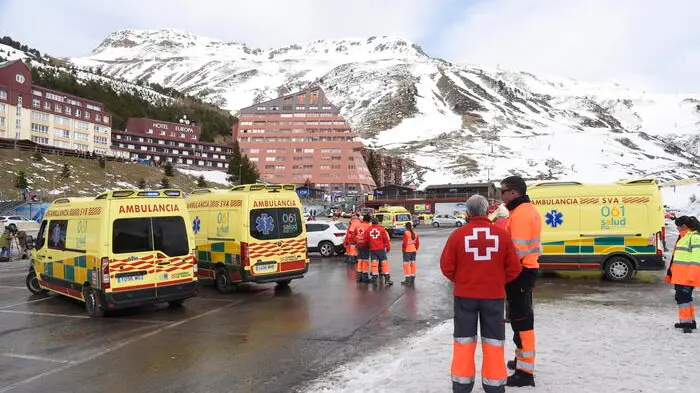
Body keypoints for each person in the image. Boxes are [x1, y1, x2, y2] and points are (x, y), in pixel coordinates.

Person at [440, 195, 522, 393]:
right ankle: (494, 386)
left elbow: (446, 267)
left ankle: (461, 386)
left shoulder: (458, 235)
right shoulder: (502, 235)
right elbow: (514, 268)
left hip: (465, 297)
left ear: (467, 213)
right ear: (487, 211)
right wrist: (497, 282)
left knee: (464, 342)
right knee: (494, 342)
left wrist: (463, 281)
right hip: (493, 298)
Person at [500, 175, 542, 387]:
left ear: (514, 193)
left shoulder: (521, 214)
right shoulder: (524, 211)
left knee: (522, 322)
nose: (501, 196)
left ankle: (525, 373)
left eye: (503, 191)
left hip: (520, 272)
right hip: (526, 271)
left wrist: (503, 274)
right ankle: (521, 361)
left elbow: (516, 252)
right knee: (521, 320)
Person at [666, 215, 700, 333]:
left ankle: (687, 324)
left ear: (684, 226)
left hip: (687, 276)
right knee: (685, 298)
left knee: (682, 298)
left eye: (678, 226)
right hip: (681, 276)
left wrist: (692, 275)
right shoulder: (684, 236)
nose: (677, 229)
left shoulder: (694, 237)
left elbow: (697, 258)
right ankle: (690, 322)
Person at [368, 217, 393, 285]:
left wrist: (367, 247)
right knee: (384, 264)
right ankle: (387, 279)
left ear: (372, 222)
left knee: (374, 264)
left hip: (373, 250)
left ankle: (374, 278)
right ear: (378, 222)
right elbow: (386, 240)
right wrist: (388, 248)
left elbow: (365, 240)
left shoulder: (368, 230)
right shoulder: (382, 230)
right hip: (381, 249)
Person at [354, 215, 373, 282]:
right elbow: (370, 237)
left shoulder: (358, 226)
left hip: (358, 245)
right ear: (369, 220)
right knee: (365, 261)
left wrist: (357, 242)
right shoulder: (369, 226)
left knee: (360, 260)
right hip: (365, 246)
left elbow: (354, 235)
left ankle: (359, 276)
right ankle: (365, 277)